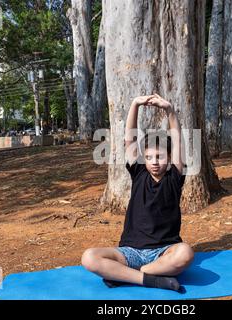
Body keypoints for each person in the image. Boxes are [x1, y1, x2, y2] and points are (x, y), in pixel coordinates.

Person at [81, 94, 194, 293]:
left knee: (185, 253)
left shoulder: (175, 178)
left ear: (169, 158)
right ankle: (152, 279)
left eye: (160, 156)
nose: (154, 161)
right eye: (149, 157)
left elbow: (177, 139)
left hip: (163, 252)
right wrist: (135, 104)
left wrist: (169, 109)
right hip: (130, 251)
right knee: (89, 257)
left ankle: (126, 275)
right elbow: (129, 138)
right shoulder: (139, 173)